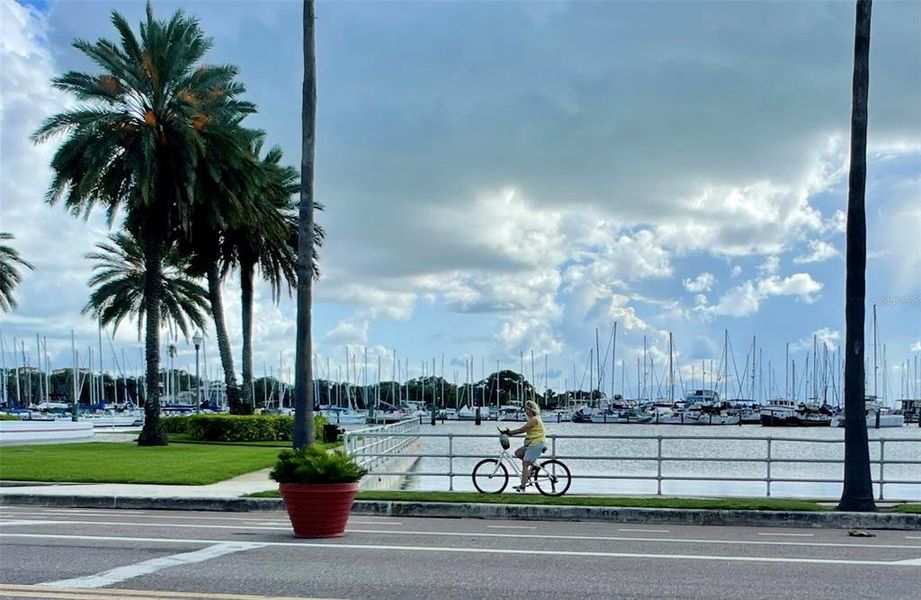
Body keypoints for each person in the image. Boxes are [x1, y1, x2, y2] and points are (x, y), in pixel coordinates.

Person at [503, 400, 546, 492]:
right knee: (518, 453)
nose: (525, 411)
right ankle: (533, 467)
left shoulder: (534, 420)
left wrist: (509, 433)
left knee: (525, 463)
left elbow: (522, 430)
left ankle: (523, 486)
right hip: (531, 443)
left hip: (536, 443)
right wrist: (510, 433)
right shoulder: (532, 419)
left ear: (531, 410)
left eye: (526, 409)